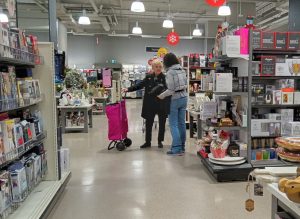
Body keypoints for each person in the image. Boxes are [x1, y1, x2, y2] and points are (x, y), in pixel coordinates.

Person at [122, 60, 170, 149]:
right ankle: (147, 142)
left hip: (161, 104)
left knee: (162, 124)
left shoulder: (165, 78)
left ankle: (160, 141)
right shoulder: (148, 78)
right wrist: (128, 89)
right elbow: (139, 85)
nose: (158, 68)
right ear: (152, 68)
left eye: (160, 67)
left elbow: (169, 90)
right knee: (148, 124)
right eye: (156, 67)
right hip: (150, 104)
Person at [158, 53, 188, 156]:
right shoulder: (182, 70)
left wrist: (161, 95)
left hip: (175, 99)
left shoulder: (170, 72)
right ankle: (182, 147)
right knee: (181, 123)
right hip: (184, 97)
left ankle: (176, 148)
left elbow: (171, 90)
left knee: (173, 124)